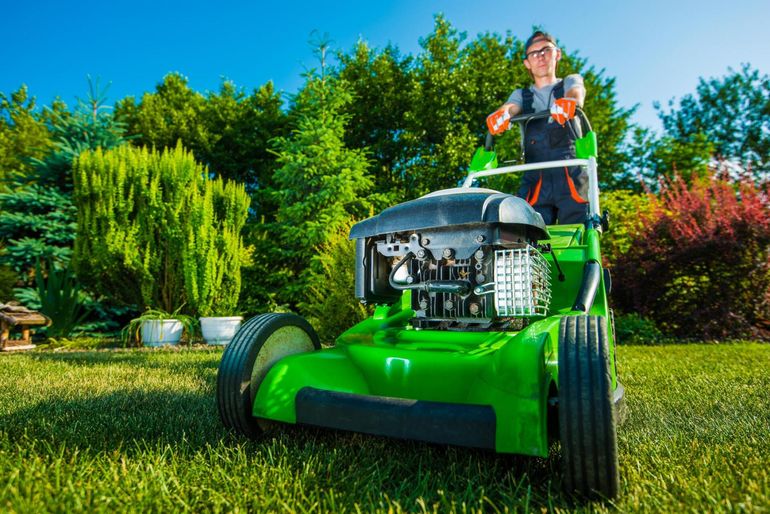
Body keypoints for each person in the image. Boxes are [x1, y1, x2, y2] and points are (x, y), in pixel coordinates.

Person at [487, 31, 589, 225]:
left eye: (546, 50)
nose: (540, 56)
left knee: (580, 230)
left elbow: (576, 94)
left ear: (557, 54)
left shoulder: (570, 82)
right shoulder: (521, 95)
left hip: (571, 172)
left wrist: (569, 102)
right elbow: (510, 108)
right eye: (534, 53)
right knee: (530, 231)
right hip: (535, 176)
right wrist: (501, 115)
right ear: (527, 63)